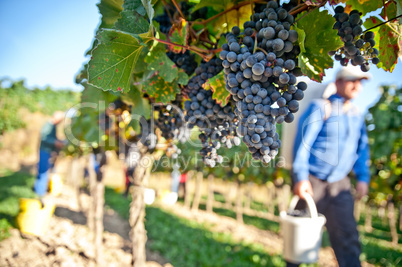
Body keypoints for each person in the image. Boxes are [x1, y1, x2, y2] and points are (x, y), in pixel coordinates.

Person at [291, 66, 371, 267]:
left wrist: (363, 177)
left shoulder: (356, 115)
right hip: (313, 182)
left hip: (341, 185)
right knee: (299, 236)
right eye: (352, 80)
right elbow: (303, 143)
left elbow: (362, 150)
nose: (357, 86)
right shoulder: (320, 107)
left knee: (348, 238)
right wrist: (300, 176)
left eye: (360, 82)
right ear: (338, 83)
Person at [34, 111, 65, 197]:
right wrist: (55, 142)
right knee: (43, 171)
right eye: (61, 120)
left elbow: (51, 137)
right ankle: (39, 193)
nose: (61, 122)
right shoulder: (48, 125)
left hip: (48, 151)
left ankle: (40, 191)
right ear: (57, 118)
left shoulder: (53, 126)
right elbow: (44, 137)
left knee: (45, 171)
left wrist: (58, 141)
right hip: (44, 150)